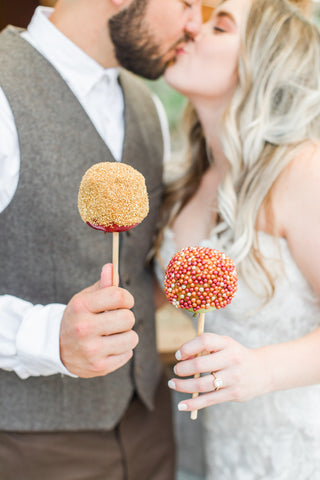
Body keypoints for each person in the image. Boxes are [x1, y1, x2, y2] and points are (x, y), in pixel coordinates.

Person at [0, 0, 203, 479]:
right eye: (188, 2)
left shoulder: (149, 107)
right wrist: (50, 338)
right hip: (31, 446)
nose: (194, 23)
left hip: (149, 429)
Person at [154, 0, 320, 478]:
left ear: (266, 61)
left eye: (219, 26)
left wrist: (261, 370)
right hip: (221, 448)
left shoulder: (302, 172)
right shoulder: (187, 183)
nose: (193, 29)